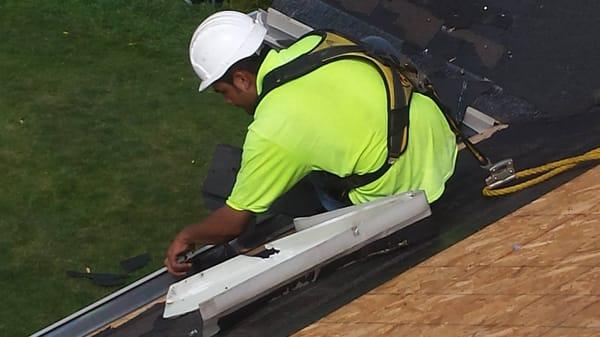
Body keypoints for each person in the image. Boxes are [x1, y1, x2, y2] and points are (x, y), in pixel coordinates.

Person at [164, 11, 457, 276]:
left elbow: (233, 222)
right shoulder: (317, 41)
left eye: (223, 92)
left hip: (412, 187)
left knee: (309, 183)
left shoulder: (270, 130)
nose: (228, 102)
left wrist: (187, 236)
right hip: (438, 134)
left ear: (241, 79)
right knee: (369, 45)